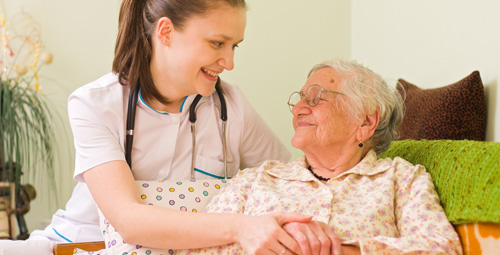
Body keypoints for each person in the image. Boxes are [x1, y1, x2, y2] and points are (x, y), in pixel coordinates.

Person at [0, 0, 322, 254]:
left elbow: (290, 182)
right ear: (165, 33)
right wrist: (242, 227)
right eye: (217, 43)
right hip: (78, 245)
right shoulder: (94, 104)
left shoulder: (231, 108)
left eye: (234, 46)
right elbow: (129, 221)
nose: (229, 62)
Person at [166, 59, 459, 254]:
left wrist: (338, 249)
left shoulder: (402, 179)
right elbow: (196, 247)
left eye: (316, 98)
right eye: (300, 98)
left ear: (366, 122)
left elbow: (441, 248)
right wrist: (279, 242)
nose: (298, 109)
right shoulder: (258, 178)